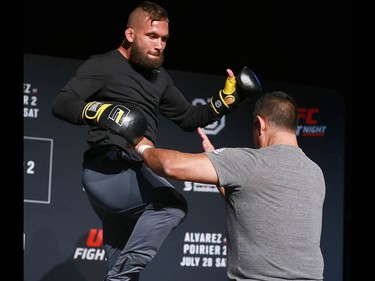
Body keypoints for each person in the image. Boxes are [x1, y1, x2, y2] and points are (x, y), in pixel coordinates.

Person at [51, 1, 262, 280]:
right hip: (107, 168)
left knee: (124, 274)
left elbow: (188, 117)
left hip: (136, 171)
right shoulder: (102, 65)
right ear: (130, 35)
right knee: (171, 206)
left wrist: (225, 102)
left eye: (164, 39)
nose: (159, 45)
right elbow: (62, 103)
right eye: (152, 36)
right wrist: (100, 111)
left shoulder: (159, 77)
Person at [134, 91, 326, 281]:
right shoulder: (315, 172)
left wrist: (142, 146)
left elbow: (170, 166)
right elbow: (255, 204)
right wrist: (221, 169)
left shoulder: (249, 162)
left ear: (260, 124)